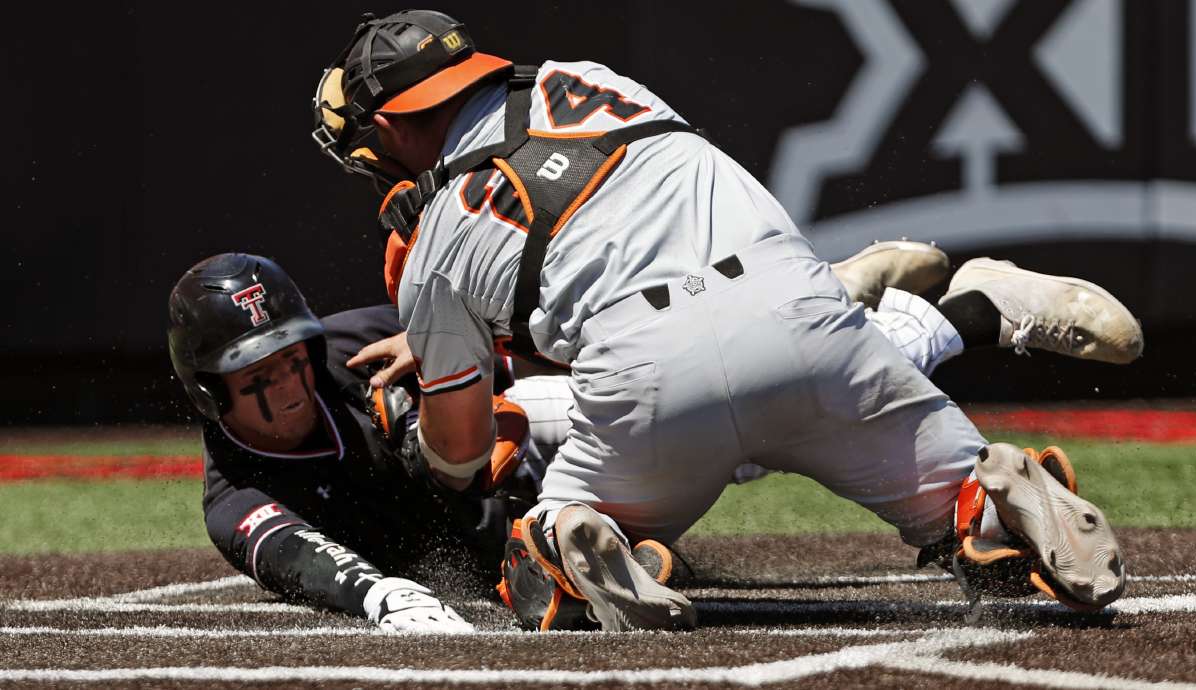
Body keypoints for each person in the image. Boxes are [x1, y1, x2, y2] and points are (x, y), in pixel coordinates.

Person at [311, 10, 1143, 631]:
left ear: (384, 126)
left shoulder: (434, 244)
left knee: (538, 548)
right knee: (971, 533)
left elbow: (460, 457)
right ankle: (990, 506)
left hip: (649, 377)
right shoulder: (595, 80)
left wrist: (438, 411)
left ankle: (573, 532)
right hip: (803, 310)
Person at [168, 252, 550, 634]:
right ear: (210, 391)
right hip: (515, 564)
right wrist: (378, 593)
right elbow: (294, 554)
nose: (288, 382)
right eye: (259, 373)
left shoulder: (356, 342)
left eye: (292, 357)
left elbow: (531, 340)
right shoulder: (234, 496)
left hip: (539, 465)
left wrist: (448, 343)